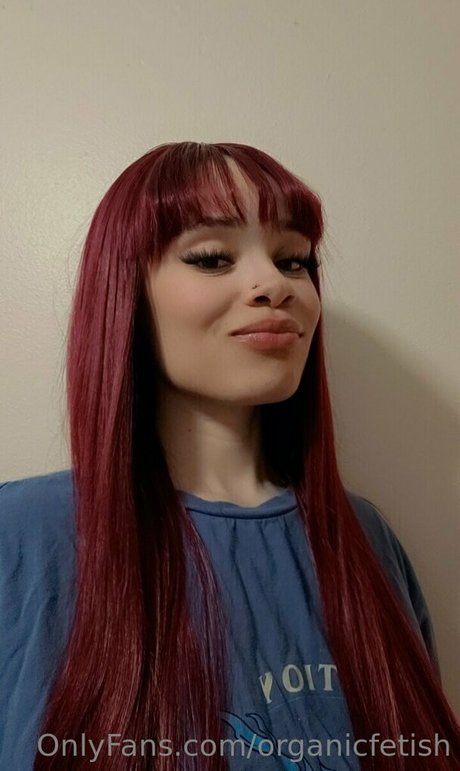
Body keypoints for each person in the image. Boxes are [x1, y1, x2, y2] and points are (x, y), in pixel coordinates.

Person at [0, 141, 458, 771]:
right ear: (125, 291)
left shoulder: (367, 540)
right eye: (212, 258)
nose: (274, 285)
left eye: (295, 261)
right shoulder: (22, 537)